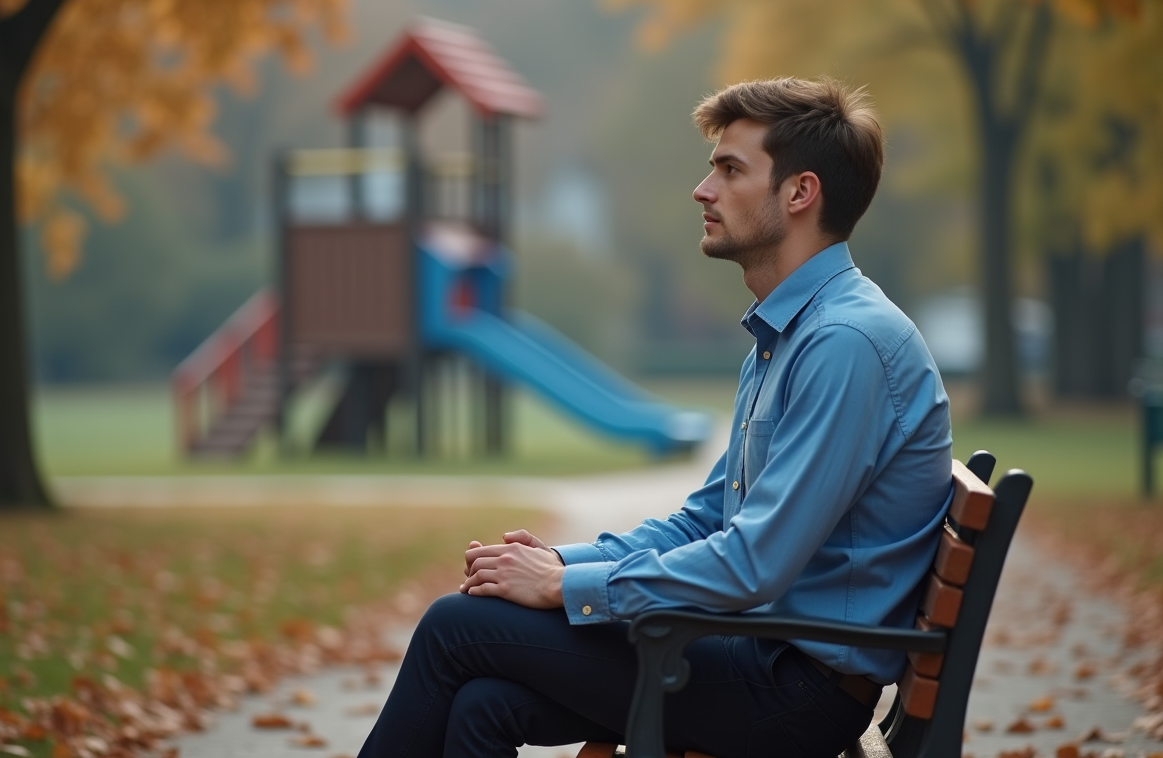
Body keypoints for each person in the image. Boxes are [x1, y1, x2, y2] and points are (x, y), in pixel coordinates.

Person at [356, 77, 953, 758]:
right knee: (483, 703)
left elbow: (752, 563)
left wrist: (565, 587)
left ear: (799, 193)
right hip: (755, 655)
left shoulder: (845, 344)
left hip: (791, 693)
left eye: (730, 170)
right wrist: (561, 560)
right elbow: (705, 521)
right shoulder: (788, 336)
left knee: (454, 627)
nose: (704, 190)